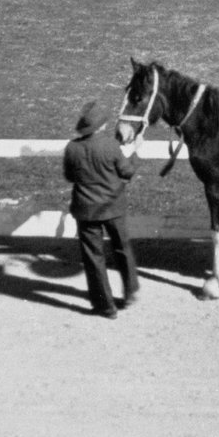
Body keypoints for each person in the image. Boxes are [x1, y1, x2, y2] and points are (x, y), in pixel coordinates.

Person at [63, 101, 140, 317]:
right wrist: (134, 152)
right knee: (122, 248)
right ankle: (130, 292)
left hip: (86, 210)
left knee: (93, 257)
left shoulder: (72, 148)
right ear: (102, 126)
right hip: (113, 207)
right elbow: (127, 172)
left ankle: (105, 306)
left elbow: (70, 176)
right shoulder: (110, 146)